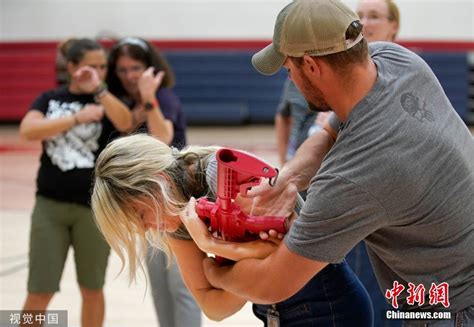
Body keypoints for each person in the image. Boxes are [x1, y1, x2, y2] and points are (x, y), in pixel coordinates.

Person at [193, 1, 474, 326]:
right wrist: (289, 179)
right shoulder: (396, 60)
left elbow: (273, 283)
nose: (292, 81)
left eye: (288, 70)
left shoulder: (353, 175)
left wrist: (215, 270)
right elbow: (328, 135)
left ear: (311, 66)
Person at [91, 133, 373, 326]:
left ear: (159, 181)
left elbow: (284, 259)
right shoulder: (176, 218)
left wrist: (213, 254)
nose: (147, 229)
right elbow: (213, 306)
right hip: (275, 315)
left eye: (142, 214)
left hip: (329, 308)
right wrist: (242, 266)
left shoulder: (226, 175)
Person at [19, 38, 133, 327]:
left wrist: (99, 89)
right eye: (89, 66)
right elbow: (28, 130)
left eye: (102, 67)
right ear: (71, 67)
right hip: (50, 207)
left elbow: (126, 122)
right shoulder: (50, 99)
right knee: (39, 290)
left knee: (92, 289)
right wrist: (76, 118)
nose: (97, 71)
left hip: (93, 209)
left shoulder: (106, 99)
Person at [106, 37, 198, 327]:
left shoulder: (162, 97)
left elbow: (163, 137)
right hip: (147, 205)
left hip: (173, 201)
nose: (129, 75)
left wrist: (149, 97)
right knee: (159, 286)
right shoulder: (122, 103)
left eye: (135, 68)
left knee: (181, 286)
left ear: (149, 68)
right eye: (122, 70)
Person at [274, 79, 317, 167]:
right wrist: (283, 163)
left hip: (323, 162)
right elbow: (282, 117)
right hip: (296, 159)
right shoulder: (293, 82)